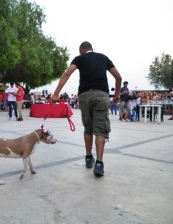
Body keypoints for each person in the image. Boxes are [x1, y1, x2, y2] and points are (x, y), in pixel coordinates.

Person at [51, 41, 122, 177]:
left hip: (84, 96)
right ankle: (99, 163)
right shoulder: (103, 58)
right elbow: (118, 77)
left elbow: (67, 74)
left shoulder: (79, 58)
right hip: (101, 95)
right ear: (91, 49)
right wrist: (117, 94)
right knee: (100, 129)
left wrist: (56, 93)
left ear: (82, 50)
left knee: (88, 128)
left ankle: (88, 157)